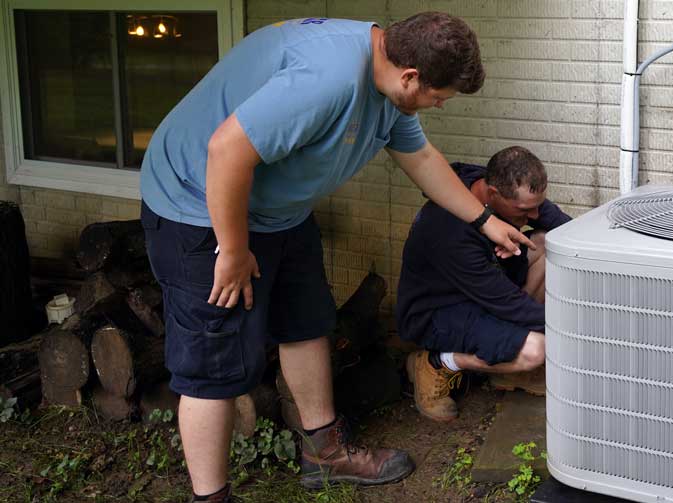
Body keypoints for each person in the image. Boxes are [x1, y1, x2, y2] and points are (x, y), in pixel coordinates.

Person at [139, 12, 533, 503]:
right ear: (410, 77)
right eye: (438, 96)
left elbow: (422, 158)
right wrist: (234, 250)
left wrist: (485, 220)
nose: (436, 105)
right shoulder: (326, 81)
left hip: (279, 212)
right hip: (199, 206)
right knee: (210, 360)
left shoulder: (389, 78)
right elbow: (226, 151)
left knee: (306, 323)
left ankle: (325, 454)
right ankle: (211, 497)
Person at [396, 146, 572, 422]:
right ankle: (435, 363)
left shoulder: (489, 182)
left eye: (538, 205)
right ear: (493, 193)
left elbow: (566, 228)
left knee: (547, 243)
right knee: (538, 348)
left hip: (485, 289)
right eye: (525, 210)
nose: (536, 215)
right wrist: (575, 326)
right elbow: (506, 303)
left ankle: (512, 361)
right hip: (439, 312)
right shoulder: (449, 231)